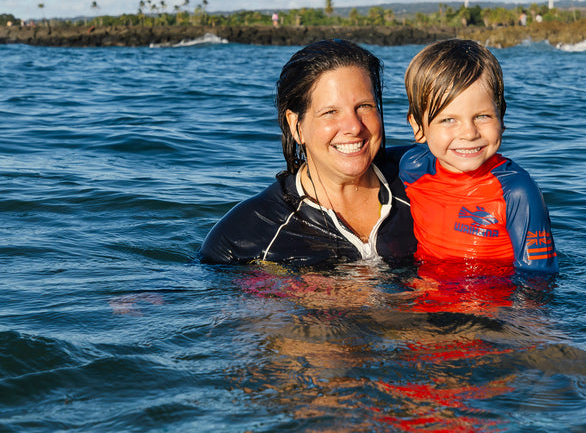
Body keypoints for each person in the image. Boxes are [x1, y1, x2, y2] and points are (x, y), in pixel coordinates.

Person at [200, 39, 416, 267]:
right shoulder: (244, 236)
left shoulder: (424, 177)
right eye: (330, 112)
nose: (354, 126)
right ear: (296, 126)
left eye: (364, 106)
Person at [399, 39, 557, 274]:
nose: (470, 133)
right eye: (448, 119)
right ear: (418, 126)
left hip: (491, 307)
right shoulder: (413, 167)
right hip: (424, 299)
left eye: (482, 116)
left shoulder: (517, 192)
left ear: (501, 117)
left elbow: (538, 280)